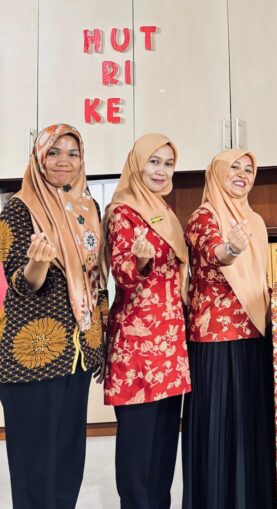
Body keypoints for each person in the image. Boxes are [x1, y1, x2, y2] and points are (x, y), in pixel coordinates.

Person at [0, 124, 107, 508]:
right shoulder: (19, 208)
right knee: (36, 468)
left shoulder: (88, 209)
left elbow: (97, 280)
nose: (64, 161)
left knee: (67, 465)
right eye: (54, 152)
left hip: (77, 355)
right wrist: (37, 264)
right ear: (39, 157)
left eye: (72, 153)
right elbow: (19, 284)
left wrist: (100, 342)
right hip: (33, 359)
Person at [182, 149, 276, 509]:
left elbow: (261, 277)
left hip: (254, 334)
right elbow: (214, 251)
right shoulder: (203, 216)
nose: (242, 174)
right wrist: (232, 249)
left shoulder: (255, 219)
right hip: (215, 339)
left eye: (249, 169)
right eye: (234, 167)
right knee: (219, 427)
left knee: (251, 424)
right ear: (217, 173)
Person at [102, 134, 191, 509]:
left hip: (169, 345)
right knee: (138, 455)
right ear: (137, 163)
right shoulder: (123, 212)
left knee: (163, 452)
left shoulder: (164, 210)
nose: (161, 170)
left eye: (168, 164)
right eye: (154, 161)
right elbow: (122, 273)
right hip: (137, 349)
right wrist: (139, 263)